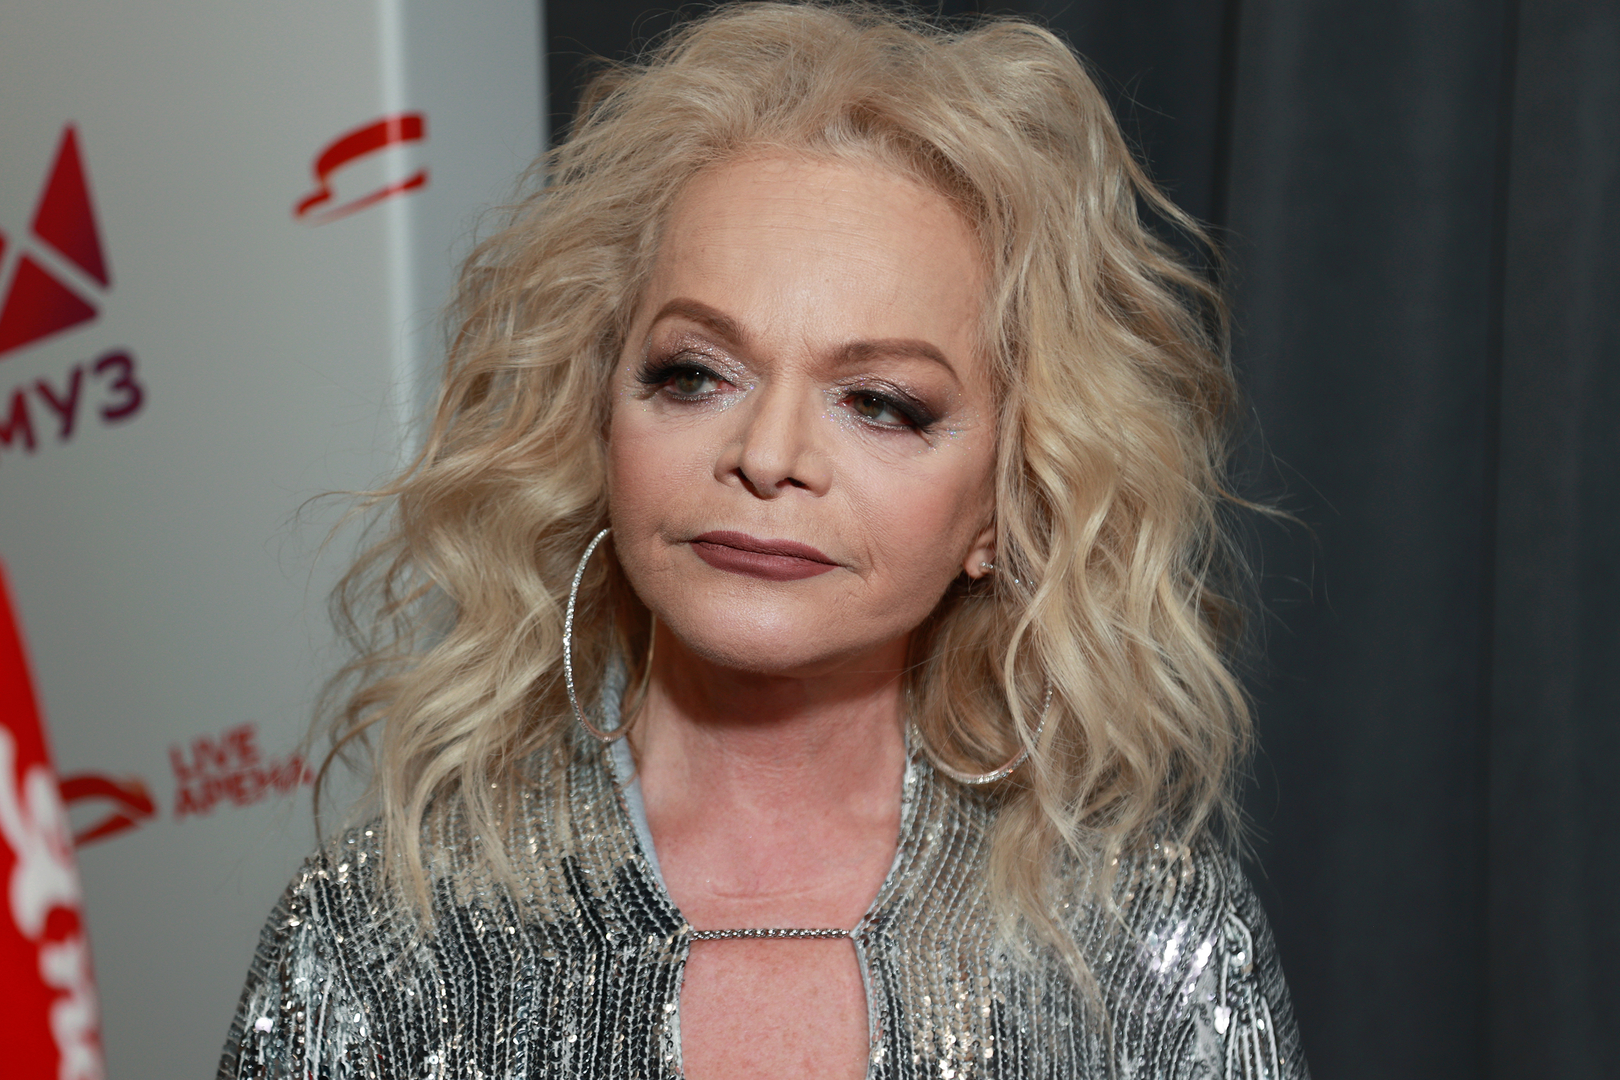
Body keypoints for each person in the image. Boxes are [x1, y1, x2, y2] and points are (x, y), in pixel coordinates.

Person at [219, 3, 1308, 1078]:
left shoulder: (1149, 943)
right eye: (695, 375)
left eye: (880, 403)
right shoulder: (380, 943)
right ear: (598, 424)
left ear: (1002, 505)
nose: (769, 454)